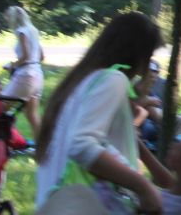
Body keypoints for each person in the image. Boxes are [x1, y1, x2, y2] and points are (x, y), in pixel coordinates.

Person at [35, 11, 164, 213]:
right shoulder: (113, 79)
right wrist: (142, 187)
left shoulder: (82, 80)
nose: (148, 64)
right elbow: (81, 144)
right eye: (149, 55)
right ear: (138, 52)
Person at [2, 4, 44, 138]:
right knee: (32, 115)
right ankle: (42, 146)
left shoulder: (22, 32)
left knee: (0, 104)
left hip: (26, 76)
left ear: (14, 18)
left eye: (8, 18)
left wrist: (12, 65)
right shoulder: (34, 31)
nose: (8, 21)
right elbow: (41, 56)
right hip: (38, 76)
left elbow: (26, 55)